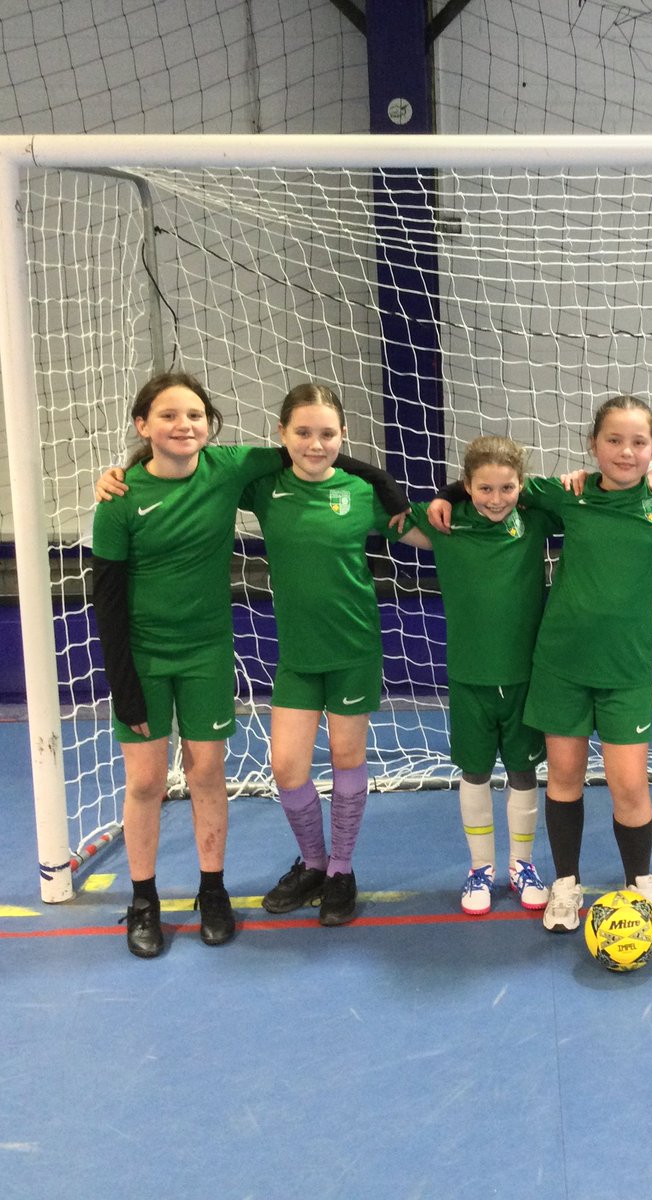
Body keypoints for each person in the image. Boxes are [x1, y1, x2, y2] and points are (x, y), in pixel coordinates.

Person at [92, 372, 407, 957]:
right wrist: (124, 687)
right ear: (143, 425)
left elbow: (325, 457)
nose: (183, 425)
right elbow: (106, 598)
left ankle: (225, 889)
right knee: (150, 782)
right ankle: (144, 900)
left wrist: (389, 487)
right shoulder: (123, 498)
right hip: (145, 657)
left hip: (215, 651)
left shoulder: (232, 467)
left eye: (194, 416)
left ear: (209, 425)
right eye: (168, 416)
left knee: (210, 775)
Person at [429, 396, 652, 934]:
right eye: (614, 440)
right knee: (564, 778)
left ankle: (640, 882)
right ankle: (565, 882)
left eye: (639, 443)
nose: (626, 452)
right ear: (592, 445)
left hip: (624, 669)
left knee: (630, 786)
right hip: (559, 663)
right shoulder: (565, 494)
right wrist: (444, 496)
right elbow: (493, 480)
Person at [245, 383, 406, 927]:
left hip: (354, 649)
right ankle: (312, 863)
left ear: (344, 437)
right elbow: (196, 470)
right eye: (303, 432)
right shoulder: (266, 488)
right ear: (282, 435)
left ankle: (340, 869)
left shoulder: (361, 494)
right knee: (286, 766)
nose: (316, 444)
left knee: (345, 758)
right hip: (297, 657)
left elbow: (427, 535)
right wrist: (129, 468)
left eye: (328, 434)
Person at [402, 436, 560, 916]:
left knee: (523, 770)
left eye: (507, 487)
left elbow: (576, 497)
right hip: (469, 677)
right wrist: (442, 496)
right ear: (467, 485)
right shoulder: (443, 523)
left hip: (524, 677)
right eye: (484, 488)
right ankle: (480, 869)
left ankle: (522, 865)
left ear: (521, 486)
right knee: (474, 771)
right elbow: (379, 504)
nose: (496, 498)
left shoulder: (534, 520)